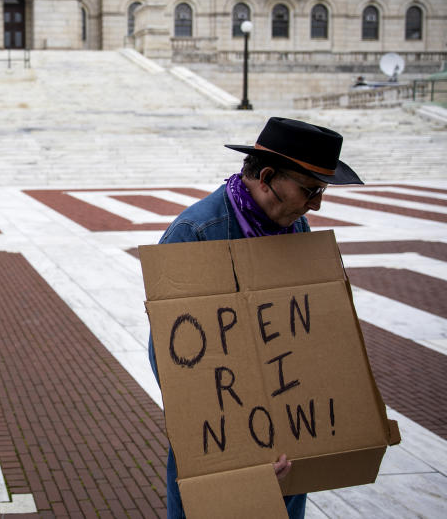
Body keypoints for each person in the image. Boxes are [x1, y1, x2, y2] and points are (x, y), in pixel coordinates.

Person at [148, 117, 364, 519]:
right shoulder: (195, 233)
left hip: (290, 443)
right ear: (266, 177)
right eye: (310, 190)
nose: (316, 203)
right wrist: (244, 450)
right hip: (221, 445)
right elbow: (171, 358)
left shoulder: (297, 226)